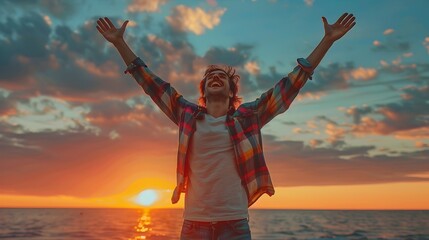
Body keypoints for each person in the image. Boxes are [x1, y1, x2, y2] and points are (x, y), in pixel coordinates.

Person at [96, 12, 356, 240]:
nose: (216, 78)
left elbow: (291, 84)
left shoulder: (248, 117)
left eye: (222, 77)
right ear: (204, 91)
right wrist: (119, 43)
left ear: (232, 92)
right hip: (193, 224)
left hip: (235, 224)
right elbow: (150, 82)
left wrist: (327, 40)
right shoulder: (186, 114)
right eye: (211, 77)